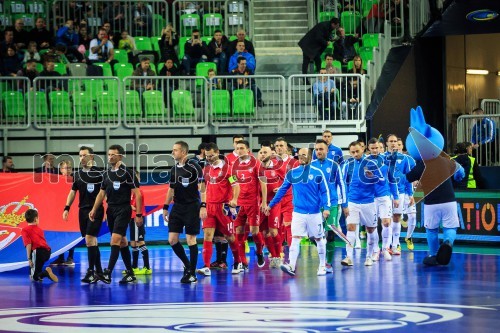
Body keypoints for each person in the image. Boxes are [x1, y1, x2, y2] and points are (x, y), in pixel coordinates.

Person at [265, 147, 331, 276]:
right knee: (295, 238)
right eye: (299, 155)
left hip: (314, 213)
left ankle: (323, 266)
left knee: (319, 239)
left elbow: (324, 192)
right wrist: (271, 205)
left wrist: (327, 208)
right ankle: (291, 266)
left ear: (311, 157)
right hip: (298, 213)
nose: (301, 157)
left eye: (304, 155)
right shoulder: (292, 173)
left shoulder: (318, 173)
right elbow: (282, 190)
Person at [89, 144, 143, 284]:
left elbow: (137, 195)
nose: (110, 157)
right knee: (123, 242)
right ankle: (130, 273)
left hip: (123, 209)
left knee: (114, 241)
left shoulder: (128, 173)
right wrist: (94, 209)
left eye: (113, 154)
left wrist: (138, 214)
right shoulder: (106, 173)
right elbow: (101, 193)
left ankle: (107, 273)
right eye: (109, 154)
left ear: (120, 156)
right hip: (111, 210)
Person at [196, 142, 243, 276]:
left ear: (217, 152)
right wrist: (203, 205)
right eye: (207, 156)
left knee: (230, 237)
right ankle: (206, 266)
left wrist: (234, 199)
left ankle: (237, 262)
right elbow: (203, 189)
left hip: (223, 207)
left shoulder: (229, 169)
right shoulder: (205, 170)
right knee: (208, 235)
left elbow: (236, 186)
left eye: (211, 155)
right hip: (210, 207)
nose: (209, 158)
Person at [61, 147, 104, 283]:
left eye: (84, 155)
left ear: (91, 157)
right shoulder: (78, 174)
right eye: (80, 156)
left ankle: (91, 272)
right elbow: (73, 191)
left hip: (95, 210)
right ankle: (99, 271)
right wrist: (67, 207)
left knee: (90, 239)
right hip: (83, 210)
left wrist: (104, 210)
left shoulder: (99, 173)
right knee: (92, 241)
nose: (82, 158)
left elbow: (104, 193)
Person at [163, 141, 203, 283]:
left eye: (175, 150)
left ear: (184, 152)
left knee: (190, 239)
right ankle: (188, 266)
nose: (173, 152)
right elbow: (171, 189)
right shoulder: (174, 169)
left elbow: (202, 187)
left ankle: (192, 273)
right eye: (173, 150)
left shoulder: (194, 166)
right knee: (172, 240)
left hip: (192, 206)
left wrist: (203, 205)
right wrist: (165, 207)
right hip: (178, 207)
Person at [341, 141, 383, 267]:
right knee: (350, 228)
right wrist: (344, 204)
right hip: (352, 201)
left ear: (363, 149)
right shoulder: (347, 165)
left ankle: (369, 256)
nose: (355, 154)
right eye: (352, 152)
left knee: (370, 229)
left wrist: (373, 176)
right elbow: (342, 184)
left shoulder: (371, 163)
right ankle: (348, 257)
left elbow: (382, 181)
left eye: (357, 151)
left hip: (368, 202)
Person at [311, 140, 346, 272]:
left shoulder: (334, 165)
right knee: (312, 235)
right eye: (317, 149)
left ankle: (328, 263)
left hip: (332, 204)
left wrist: (344, 204)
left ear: (327, 151)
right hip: (315, 205)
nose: (319, 151)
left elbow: (342, 185)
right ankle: (323, 253)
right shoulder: (311, 166)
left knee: (330, 234)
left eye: (321, 149)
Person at [232, 140, 267, 268]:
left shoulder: (256, 164)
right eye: (237, 148)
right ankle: (243, 261)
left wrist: (263, 201)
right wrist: (233, 199)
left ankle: (259, 251)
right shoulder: (233, 165)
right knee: (239, 232)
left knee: (254, 231)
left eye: (242, 148)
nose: (239, 150)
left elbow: (263, 183)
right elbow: (232, 182)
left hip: (253, 203)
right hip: (239, 204)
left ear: (248, 150)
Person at [366, 138, 399, 261]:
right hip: (370, 198)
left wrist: (395, 196)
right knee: (371, 226)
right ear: (368, 148)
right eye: (373, 148)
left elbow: (391, 179)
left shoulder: (386, 161)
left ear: (381, 148)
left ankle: (385, 248)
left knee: (386, 222)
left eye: (378, 148)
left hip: (384, 195)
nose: (375, 150)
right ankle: (376, 250)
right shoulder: (364, 162)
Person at [258, 146, 285, 268]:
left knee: (273, 231)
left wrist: (280, 189)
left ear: (271, 154)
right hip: (261, 203)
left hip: (273, 203)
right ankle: (273, 255)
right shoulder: (257, 168)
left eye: (265, 152)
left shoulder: (278, 167)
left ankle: (278, 256)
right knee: (264, 232)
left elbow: (287, 182)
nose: (262, 154)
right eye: (261, 152)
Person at [274, 137, 299, 256]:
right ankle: (278, 253)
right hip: (274, 200)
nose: (279, 148)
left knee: (289, 227)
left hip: (289, 199)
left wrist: (283, 189)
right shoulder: (270, 162)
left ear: (286, 148)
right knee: (276, 227)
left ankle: (293, 255)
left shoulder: (294, 162)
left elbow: (298, 180)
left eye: (281, 145)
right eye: (277, 146)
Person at [22, 209, 59, 282]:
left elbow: (28, 244)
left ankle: (46, 273)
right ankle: (40, 274)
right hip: (47, 252)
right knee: (35, 271)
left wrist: (29, 259)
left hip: (38, 253)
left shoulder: (25, 230)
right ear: (36, 219)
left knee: (33, 277)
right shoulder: (39, 229)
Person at [128, 171, 151, 275]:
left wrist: (130, 207)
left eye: (135, 178)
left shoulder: (139, 192)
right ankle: (134, 267)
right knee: (133, 243)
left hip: (138, 218)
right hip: (131, 219)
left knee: (140, 242)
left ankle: (147, 267)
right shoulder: (131, 192)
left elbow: (136, 206)